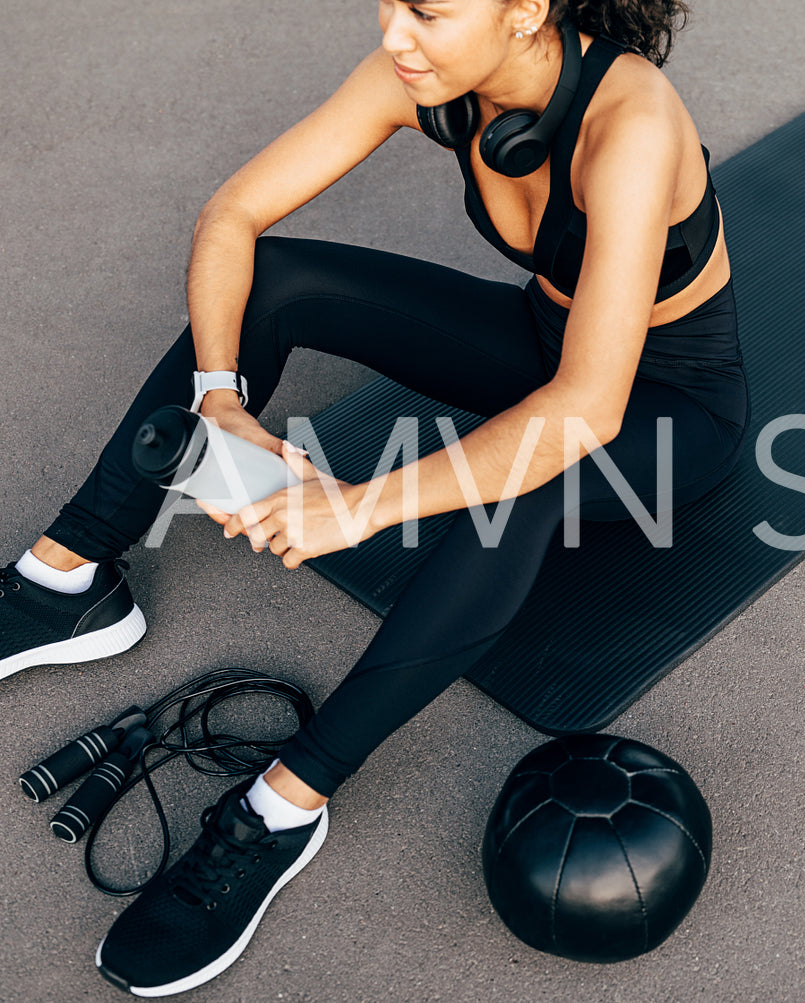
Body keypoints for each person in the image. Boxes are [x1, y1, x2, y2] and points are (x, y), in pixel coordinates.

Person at [0, 0, 746, 994]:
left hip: (663, 407)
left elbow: (583, 409)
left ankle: (280, 807)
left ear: (527, 9)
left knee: (520, 485)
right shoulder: (424, 80)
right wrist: (218, 396)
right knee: (273, 280)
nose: (394, 32)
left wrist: (356, 505)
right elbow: (235, 214)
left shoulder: (632, 124)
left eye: (428, 11)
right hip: (539, 342)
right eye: (390, 1)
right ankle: (66, 575)